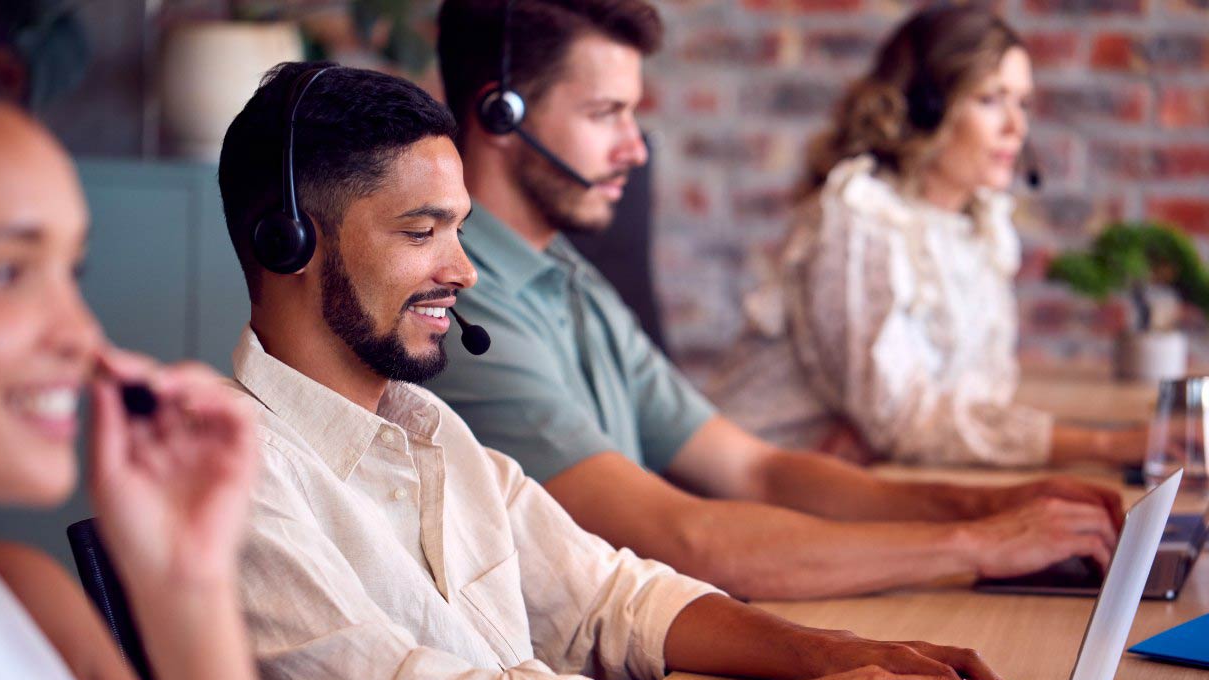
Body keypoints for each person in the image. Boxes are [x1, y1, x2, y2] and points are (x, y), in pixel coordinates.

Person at [217, 61, 1026, 680]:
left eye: (460, 231)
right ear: (286, 239)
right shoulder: (232, 478)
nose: (464, 271)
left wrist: (840, 658)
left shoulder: (431, 432)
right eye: (421, 232)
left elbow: (613, 599)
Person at [426, 0, 1128, 601]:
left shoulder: (567, 275)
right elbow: (682, 536)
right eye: (607, 114)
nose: (636, 150)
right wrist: (974, 544)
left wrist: (994, 504)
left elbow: (757, 468)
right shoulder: (460, 305)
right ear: (500, 112)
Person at [0, 15, 298, 680]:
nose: (82, 335)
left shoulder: (23, 598)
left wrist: (188, 585)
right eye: (6, 271)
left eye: (73, 270)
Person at [707, 5, 1149, 469]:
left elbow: (975, 398)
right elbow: (905, 420)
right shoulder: (860, 219)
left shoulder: (977, 227)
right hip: (747, 491)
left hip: (863, 482)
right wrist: (1110, 446)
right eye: (990, 99)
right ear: (926, 110)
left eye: (1022, 102)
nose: (1016, 129)